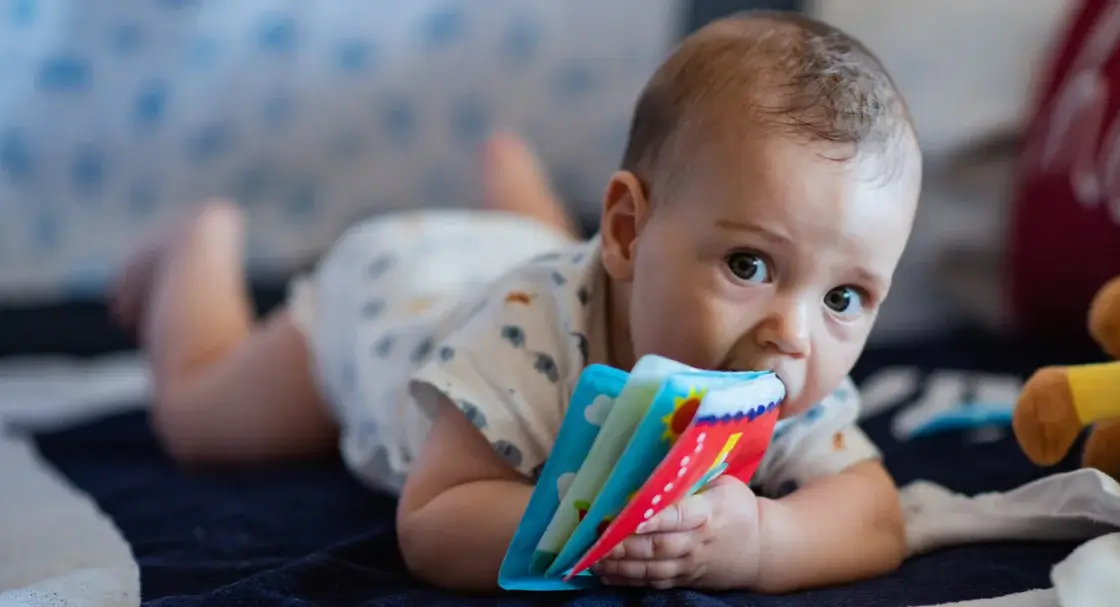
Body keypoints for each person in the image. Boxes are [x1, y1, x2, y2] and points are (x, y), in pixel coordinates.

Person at [110, 10, 920, 594]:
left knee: (569, 263)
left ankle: (515, 187)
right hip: (391, 300)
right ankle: (197, 244)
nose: (793, 333)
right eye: (749, 264)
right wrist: (604, 525)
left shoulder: (783, 368)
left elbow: (875, 516)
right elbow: (435, 518)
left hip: (537, 261)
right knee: (197, 421)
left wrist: (761, 543)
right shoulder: (524, 340)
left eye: (845, 295)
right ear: (629, 231)